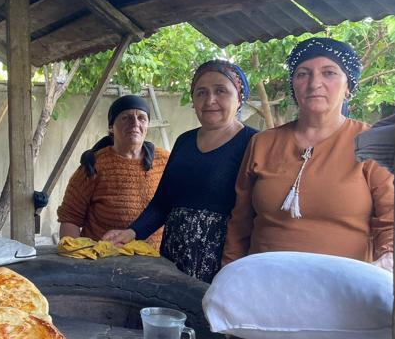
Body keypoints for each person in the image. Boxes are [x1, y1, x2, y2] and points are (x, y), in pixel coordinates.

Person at [222, 37, 394, 272]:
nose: (315, 83)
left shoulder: (373, 144)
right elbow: (239, 223)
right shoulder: (262, 143)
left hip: (343, 289)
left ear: (348, 87)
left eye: (329, 73)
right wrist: (229, 273)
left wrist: (387, 265)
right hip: (263, 284)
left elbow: (392, 222)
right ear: (293, 85)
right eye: (303, 74)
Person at [103, 61, 258, 282]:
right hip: (173, 258)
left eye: (221, 91)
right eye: (201, 92)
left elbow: (258, 214)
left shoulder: (254, 143)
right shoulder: (184, 142)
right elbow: (163, 202)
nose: (210, 100)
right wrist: (131, 232)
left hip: (224, 264)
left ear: (240, 97)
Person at [57, 95, 170, 249]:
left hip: (155, 262)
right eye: (126, 118)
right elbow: (70, 218)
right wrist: (78, 258)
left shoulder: (165, 161)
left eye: (142, 118)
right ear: (111, 127)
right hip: (103, 262)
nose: (135, 124)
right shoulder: (93, 165)